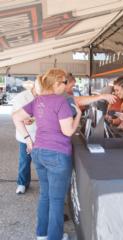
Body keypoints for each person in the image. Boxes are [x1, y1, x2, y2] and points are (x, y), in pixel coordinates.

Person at [12, 68, 81, 240]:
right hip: (57, 154)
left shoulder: (38, 100)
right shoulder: (61, 102)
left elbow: (15, 117)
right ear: (57, 83)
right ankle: (54, 237)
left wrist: (28, 140)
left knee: (45, 195)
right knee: (56, 200)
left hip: (39, 152)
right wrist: (78, 115)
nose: (66, 85)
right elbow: (68, 131)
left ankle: (42, 234)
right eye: (65, 82)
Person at [12, 79, 40, 194]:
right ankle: (22, 183)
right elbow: (14, 114)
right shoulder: (21, 97)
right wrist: (24, 120)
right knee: (24, 161)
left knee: (41, 161)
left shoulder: (45, 97)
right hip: (25, 134)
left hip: (41, 135)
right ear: (35, 86)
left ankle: (44, 184)